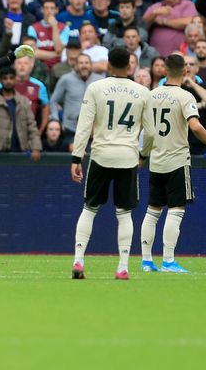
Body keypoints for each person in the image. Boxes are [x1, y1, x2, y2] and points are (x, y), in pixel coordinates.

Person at [70, 46, 153, 281]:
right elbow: (152, 132)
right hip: (127, 157)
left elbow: (84, 125)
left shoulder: (96, 88)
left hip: (100, 155)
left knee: (89, 208)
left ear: (108, 64)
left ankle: (78, 260)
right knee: (124, 213)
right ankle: (123, 266)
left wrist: (77, 157)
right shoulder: (142, 92)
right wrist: (143, 155)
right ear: (130, 65)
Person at [139, 54, 206, 273]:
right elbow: (195, 126)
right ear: (185, 72)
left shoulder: (151, 95)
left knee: (152, 211)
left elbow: (146, 131)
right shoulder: (185, 96)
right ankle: (168, 260)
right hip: (176, 160)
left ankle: (147, 261)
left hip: (156, 160)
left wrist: (143, 155)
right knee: (176, 210)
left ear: (164, 70)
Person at [0, 67, 43, 160]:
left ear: (15, 79)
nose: (8, 81)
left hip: (20, 150)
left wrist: (36, 148)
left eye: (11, 78)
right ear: (1, 80)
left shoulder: (23, 101)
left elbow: (32, 126)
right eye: (5, 78)